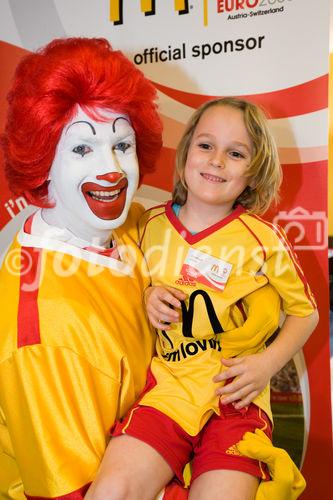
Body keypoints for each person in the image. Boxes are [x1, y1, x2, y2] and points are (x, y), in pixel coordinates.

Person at [86, 98, 318, 500]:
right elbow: (117, 291)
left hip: (236, 402)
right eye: (206, 146)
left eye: (236, 153)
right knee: (110, 491)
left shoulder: (264, 241)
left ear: (255, 171)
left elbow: (306, 312)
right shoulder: (147, 226)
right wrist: (147, 294)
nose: (217, 161)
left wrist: (266, 364)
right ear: (186, 153)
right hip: (169, 392)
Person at [0, 37, 163, 498]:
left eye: (122, 143)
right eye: (81, 150)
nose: (110, 169)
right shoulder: (43, 334)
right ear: (42, 159)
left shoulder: (129, 223)